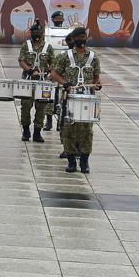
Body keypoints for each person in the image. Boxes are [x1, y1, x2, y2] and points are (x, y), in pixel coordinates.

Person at [51, 27, 102, 173]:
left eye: (83, 36)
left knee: (87, 131)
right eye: (78, 37)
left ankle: (84, 161)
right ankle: (71, 161)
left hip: (87, 98)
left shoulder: (93, 57)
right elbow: (55, 73)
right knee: (68, 130)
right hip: (69, 97)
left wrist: (97, 85)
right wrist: (64, 83)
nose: (81, 39)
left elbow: (96, 77)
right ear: (73, 39)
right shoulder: (65, 56)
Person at [18, 20, 54, 143]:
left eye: (38, 32)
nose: (36, 34)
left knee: (41, 107)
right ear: (30, 33)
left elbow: (52, 62)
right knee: (25, 107)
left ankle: (37, 132)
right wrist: (28, 70)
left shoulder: (48, 47)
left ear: (42, 33)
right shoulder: (26, 45)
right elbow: (21, 60)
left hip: (42, 81)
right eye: (34, 32)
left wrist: (50, 70)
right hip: (28, 81)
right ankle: (26, 131)